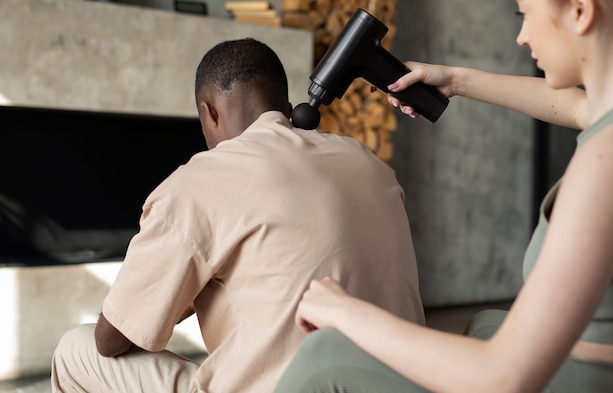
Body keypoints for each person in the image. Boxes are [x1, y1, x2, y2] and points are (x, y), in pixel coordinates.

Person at [273, 0, 613, 392]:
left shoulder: (605, 164)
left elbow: (503, 378)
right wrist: (456, 81)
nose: (521, 36)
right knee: (487, 324)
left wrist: (345, 312)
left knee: (324, 358)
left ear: (580, 10)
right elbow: (582, 106)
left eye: (524, 11)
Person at [49, 38, 424, 393]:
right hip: (403, 382)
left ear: (209, 113)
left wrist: (180, 294)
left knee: (76, 350)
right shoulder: (367, 161)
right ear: (285, 103)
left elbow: (111, 339)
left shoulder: (198, 183)